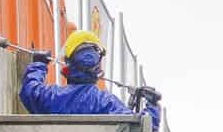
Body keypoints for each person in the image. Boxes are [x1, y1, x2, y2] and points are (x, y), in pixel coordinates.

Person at [22, 31, 157, 126]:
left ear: (69, 63)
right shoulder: (105, 102)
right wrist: (152, 105)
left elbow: (30, 91)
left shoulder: (53, 97)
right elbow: (144, 124)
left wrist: (38, 65)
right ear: (97, 66)